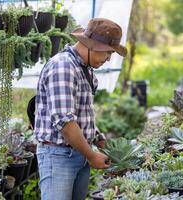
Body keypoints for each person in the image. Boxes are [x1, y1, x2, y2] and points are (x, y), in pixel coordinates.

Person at [34, 18, 127, 200]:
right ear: (92, 45)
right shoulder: (64, 66)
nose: (109, 58)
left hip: (79, 152)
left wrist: (102, 142)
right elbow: (66, 122)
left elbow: (82, 116)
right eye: (108, 52)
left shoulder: (84, 68)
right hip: (59, 156)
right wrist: (91, 155)